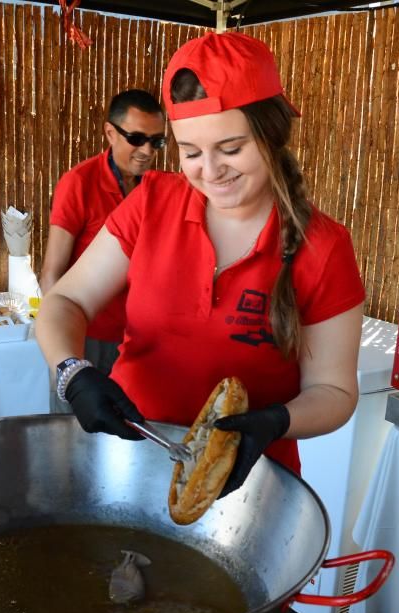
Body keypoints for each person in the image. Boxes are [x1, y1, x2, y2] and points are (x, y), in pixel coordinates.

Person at [36, 32, 364, 497]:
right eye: (191, 152)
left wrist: (276, 422)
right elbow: (67, 298)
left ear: (272, 134)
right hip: (130, 456)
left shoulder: (324, 247)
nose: (210, 171)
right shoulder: (151, 202)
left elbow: (334, 392)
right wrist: (73, 372)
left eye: (231, 149)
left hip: (248, 481)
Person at [39, 89, 166, 377]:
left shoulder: (156, 189)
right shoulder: (79, 183)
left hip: (138, 340)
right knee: (72, 422)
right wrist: (67, 355)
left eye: (156, 141)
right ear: (110, 132)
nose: (147, 151)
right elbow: (50, 275)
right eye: (136, 139)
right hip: (86, 339)